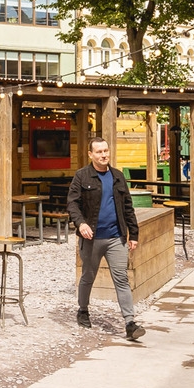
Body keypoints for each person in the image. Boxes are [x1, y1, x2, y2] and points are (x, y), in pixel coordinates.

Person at [68, 136, 142, 341]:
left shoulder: (118, 176)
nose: (104, 155)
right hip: (91, 239)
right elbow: (72, 204)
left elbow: (128, 206)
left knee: (121, 279)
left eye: (106, 151)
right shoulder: (81, 176)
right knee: (88, 276)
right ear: (90, 154)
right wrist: (81, 223)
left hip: (115, 237)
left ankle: (130, 323)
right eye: (99, 152)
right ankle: (83, 310)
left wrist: (133, 234)